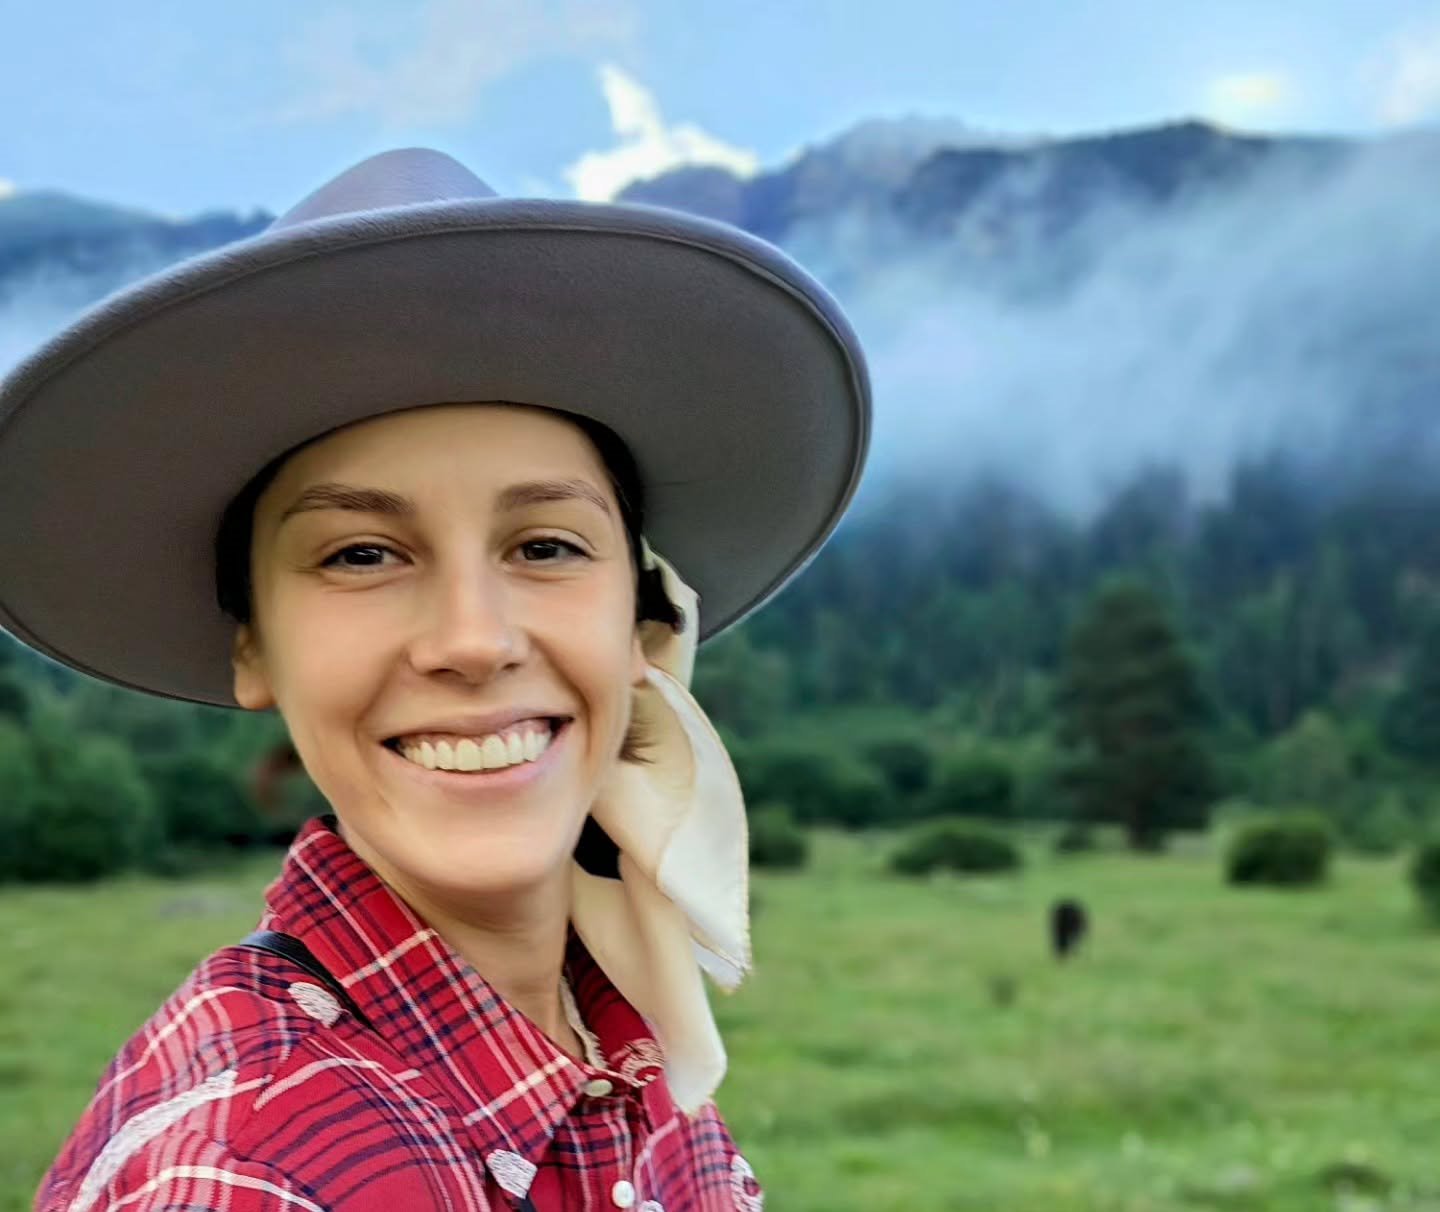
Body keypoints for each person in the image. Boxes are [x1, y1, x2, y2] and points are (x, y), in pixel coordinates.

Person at [0, 147, 870, 1211]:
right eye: (362, 554)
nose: (473, 639)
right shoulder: (244, 1180)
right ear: (255, 643)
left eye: (546, 546)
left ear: (644, 622)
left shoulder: (623, 1038)